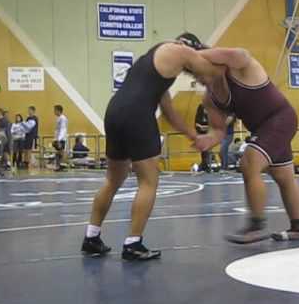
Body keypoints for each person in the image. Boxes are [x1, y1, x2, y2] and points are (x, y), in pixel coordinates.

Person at [81, 33, 222, 261]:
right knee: (148, 181)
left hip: (115, 111)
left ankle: (91, 237)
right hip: (137, 114)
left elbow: (168, 110)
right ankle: (133, 243)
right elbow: (211, 72)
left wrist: (192, 135)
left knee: (112, 180)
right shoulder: (178, 50)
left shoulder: (153, 66)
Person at [194, 46, 299, 243]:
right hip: (263, 129)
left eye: (199, 69)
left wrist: (189, 53)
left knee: (249, 163)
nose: (199, 77)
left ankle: (256, 225)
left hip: (280, 117)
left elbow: (241, 53)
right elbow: (219, 131)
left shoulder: (240, 67)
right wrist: (207, 140)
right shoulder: (210, 98)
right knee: (284, 176)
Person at [194, 103, 211, 172]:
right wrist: (200, 127)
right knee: (203, 150)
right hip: (201, 133)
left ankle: (206, 165)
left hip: (208, 134)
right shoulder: (199, 115)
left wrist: (206, 127)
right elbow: (196, 123)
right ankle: (204, 165)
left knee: (206, 150)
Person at [53, 105, 68, 171]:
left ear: (58, 110)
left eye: (55, 110)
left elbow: (63, 129)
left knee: (61, 152)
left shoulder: (62, 118)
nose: (54, 111)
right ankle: (58, 166)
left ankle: (62, 165)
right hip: (58, 138)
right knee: (58, 152)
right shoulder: (58, 118)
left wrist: (59, 139)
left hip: (61, 138)